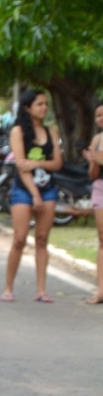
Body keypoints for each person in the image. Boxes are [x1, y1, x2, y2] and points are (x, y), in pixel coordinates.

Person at [1, 89, 63, 303]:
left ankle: (41, 290)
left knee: (42, 239)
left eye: (46, 104)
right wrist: (35, 195)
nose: (44, 108)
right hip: (23, 189)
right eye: (39, 104)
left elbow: (57, 163)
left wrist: (37, 163)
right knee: (19, 239)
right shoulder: (18, 131)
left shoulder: (51, 131)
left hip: (48, 189)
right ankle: (8, 287)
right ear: (28, 108)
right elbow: (20, 165)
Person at [85, 104, 103, 304]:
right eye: (97, 115)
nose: (100, 118)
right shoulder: (97, 140)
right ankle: (100, 290)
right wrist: (94, 161)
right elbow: (92, 175)